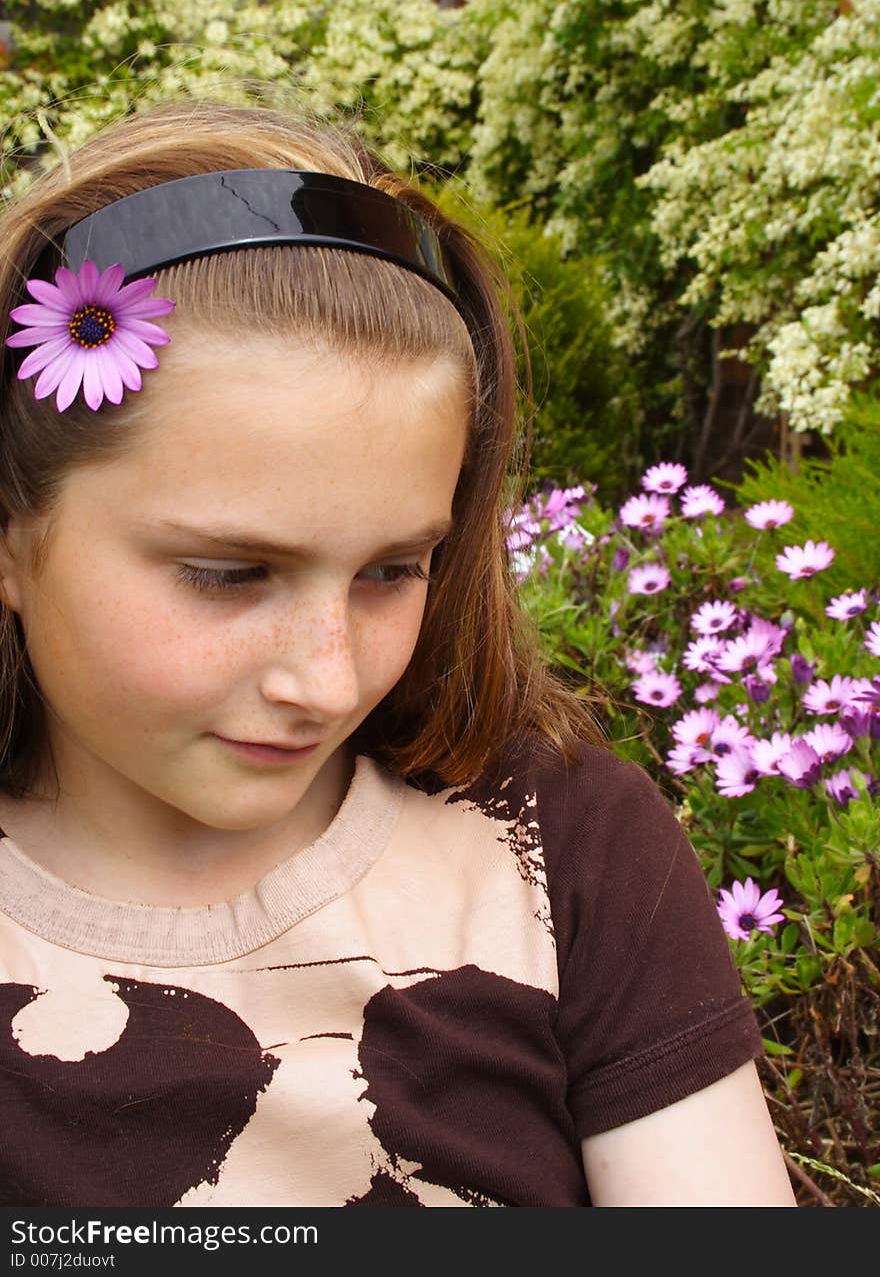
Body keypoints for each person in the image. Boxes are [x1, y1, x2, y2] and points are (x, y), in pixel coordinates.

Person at [0, 100, 796, 1208]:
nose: (326, 679)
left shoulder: (565, 858)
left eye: (392, 570)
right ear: (13, 531)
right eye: (230, 574)